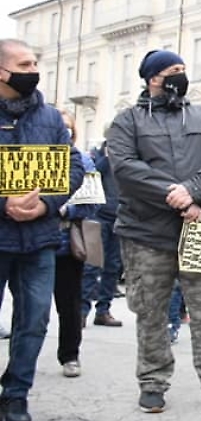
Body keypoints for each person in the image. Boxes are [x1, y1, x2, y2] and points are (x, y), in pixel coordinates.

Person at [107, 49, 201, 413]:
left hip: (199, 228)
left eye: (184, 69)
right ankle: (152, 382)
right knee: (151, 309)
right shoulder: (128, 121)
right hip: (146, 233)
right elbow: (125, 169)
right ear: (153, 78)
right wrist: (179, 198)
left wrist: (194, 191)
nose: (181, 75)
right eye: (173, 70)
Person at [0, 39, 84, 421]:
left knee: (33, 321)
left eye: (35, 62)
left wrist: (46, 203)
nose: (32, 69)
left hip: (40, 239)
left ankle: (16, 395)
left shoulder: (51, 119)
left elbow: (73, 170)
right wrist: (5, 204)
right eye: (24, 63)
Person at [52, 111, 100, 378]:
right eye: (62, 127)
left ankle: (70, 355)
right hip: (34, 242)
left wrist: (64, 211)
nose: (66, 132)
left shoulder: (83, 161)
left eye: (70, 128)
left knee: (69, 305)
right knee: (30, 309)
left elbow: (92, 202)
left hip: (67, 244)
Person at [81, 136, 123, 328]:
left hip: (120, 217)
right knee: (92, 265)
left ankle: (103, 310)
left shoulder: (128, 155)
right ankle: (81, 310)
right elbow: (93, 175)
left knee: (112, 267)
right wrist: (107, 157)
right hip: (98, 216)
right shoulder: (98, 155)